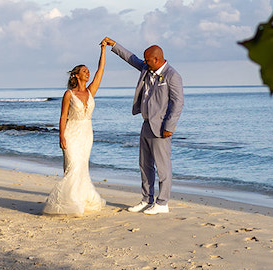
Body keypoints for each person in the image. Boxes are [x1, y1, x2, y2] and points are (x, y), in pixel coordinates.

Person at [102, 38, 183, 215]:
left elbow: (178, 103)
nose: (144, 62)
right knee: (145, 164)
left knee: (163, 167)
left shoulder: (172, 75)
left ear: (157, 59)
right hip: (146, 123)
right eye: (145, 60)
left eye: (147, 60)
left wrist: (169, 126)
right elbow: (132, 59)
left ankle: (163, 202)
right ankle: (147, 199)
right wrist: (114, 45)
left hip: (161, 127)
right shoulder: (147, 68)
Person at [42, 37, 111, 216]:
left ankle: (80, 201)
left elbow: (100, 71)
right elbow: (63, 116)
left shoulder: (90, 91)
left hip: (87, 133)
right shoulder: (69, 94)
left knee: (82, 167)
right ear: (76, 75)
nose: (88, 74)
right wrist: (61, 136)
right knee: (72, 166)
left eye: (88, 71)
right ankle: (67, 202)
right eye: (84, 71)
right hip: (71, 133)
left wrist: (103, 50)